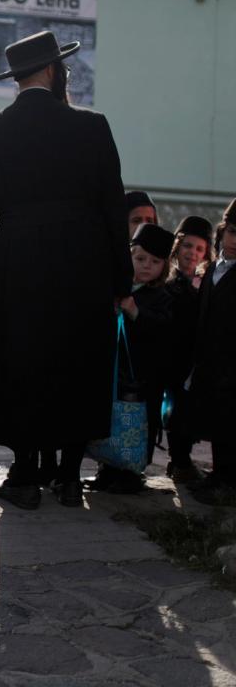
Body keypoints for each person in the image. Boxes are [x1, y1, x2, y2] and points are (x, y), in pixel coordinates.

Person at [0, 30, 133, 510]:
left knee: (21, 361)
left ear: (16, 78)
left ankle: (24, 470)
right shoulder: (93, 126)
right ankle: (70, 474)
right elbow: (113, 212)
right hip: (84, 260)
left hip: (16, 259)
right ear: (57, 71)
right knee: (78, 360)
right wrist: (122, 282)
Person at [90, 223, 174, 494]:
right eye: (140, 259)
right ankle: (107, 468)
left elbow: (161, 330)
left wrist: (135, 311)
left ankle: (131, 473)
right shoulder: (116, 287)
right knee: (108, 420)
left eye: (155, 261)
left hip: (140, 378)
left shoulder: (160, 296)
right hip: (112, 372)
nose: (146, 266)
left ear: (164, 266)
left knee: (136, 425)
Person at [188, 199, 236, 505]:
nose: (235, 240)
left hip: (231, 365)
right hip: (210, 361)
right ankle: (219, 475)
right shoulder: (213, 270)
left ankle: (228, 481)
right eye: (232, 231)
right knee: (217, 423)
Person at [163, 215, 214, 483]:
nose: (192, 253)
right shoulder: (168, 283)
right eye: (187, 246)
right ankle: (179, 462)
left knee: (190, 412)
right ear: (177, 247)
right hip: (173, 358)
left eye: (198, 249)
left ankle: (182, 460)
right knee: (175, 412)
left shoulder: (206, 284)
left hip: (194, 359)